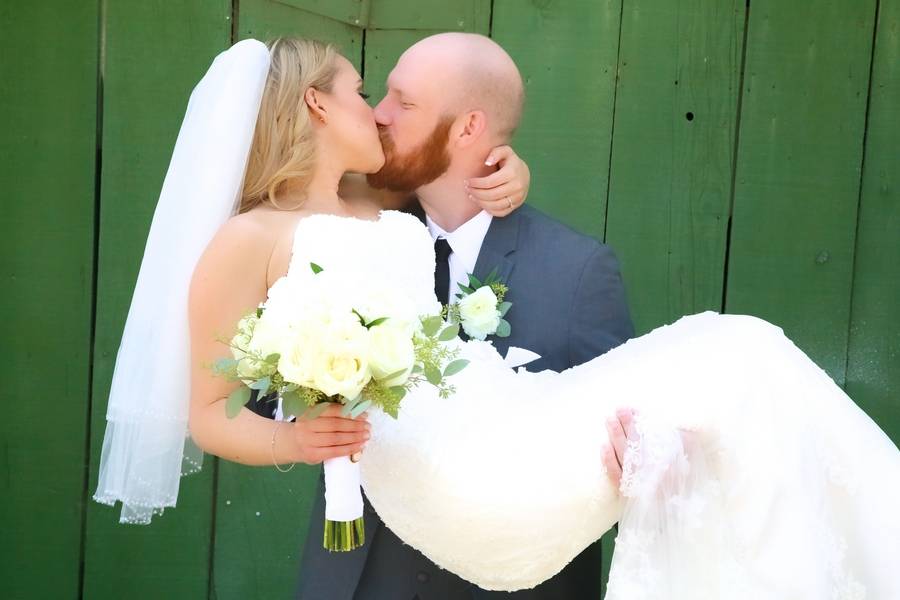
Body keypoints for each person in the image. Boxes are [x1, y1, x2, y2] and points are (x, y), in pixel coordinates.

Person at [95, 35, 900, 600]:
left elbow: (446, 166)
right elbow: (208, 413)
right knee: (739, 352)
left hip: (504, 421)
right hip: (455, 475)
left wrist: (505, 168)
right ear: (315, 104)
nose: (377, 111)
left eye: (393, 99)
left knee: (744, 362)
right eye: (363, 92)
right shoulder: (249, 238)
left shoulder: (379, 208)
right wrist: (292, 441)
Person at [293, 33, 633, 600]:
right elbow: (267, 393)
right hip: (361, 580)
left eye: (405, 102)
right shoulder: (348, 239)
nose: (379, 114)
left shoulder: (578, 273)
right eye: (382, 95)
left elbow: (624, 449)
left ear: (469, 128)